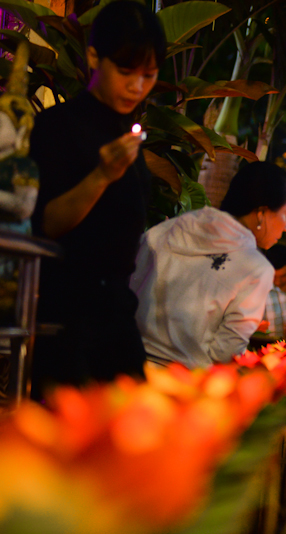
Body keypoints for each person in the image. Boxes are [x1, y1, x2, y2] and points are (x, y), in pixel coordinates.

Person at [29, 1, 166, 396]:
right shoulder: (58, 126)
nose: (137, 87)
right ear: (93, 57)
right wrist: (101, 176)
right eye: (125, 71)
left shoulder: (125, 135)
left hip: (117, 314)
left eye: (149, 75)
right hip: (66, 316)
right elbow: (47, 223)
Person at [130, 162, 286, 369]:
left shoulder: (164, 231)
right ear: (261, 213)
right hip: (185, 380)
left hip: (125, 367)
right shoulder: (255, 268)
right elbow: (226, 353)